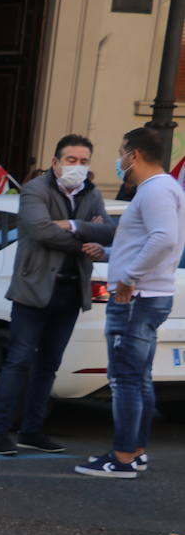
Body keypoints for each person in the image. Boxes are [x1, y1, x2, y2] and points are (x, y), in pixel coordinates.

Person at [0, 135, 116, 456]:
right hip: (35, 290)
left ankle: (32, 430)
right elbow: (41, 230)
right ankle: (0, 431)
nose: (78, 166)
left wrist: (73, 224)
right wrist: (86, 234)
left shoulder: (93, 193)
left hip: (71, 290)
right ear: (56, 163)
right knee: (18, 361)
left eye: (84, 161)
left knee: (49, 365)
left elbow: (110, 230)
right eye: (71, 160)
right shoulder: (35, 190)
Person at [75, 128, 185, 478]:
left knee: (124, 378)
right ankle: (134, 451)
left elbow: (164, 239)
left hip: (137, 298)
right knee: (138, 377)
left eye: (121, 152)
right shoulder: (164, 189)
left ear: (134, 155)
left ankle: (122, 456)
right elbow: (149, 240)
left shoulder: (155, 190)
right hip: (147, 295)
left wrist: (129, 277)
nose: (119, 160)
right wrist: (110, 253)